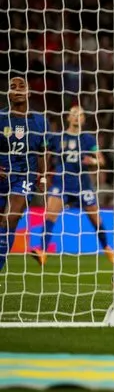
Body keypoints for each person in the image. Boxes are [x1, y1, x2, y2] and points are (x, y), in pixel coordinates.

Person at [37, 105, 114, 264]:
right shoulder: (57, 138)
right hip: (62, 183)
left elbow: (101, 160)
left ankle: (107, 248)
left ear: (84, 119)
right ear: (68, 118)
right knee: (50, 214)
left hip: (82, 185)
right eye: (74, 114)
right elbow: (43, 151)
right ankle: (42, 251)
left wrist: (92, 161)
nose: (77, 117)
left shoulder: (88, 139)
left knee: (95, 219)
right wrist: (44, 174)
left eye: (80, 114)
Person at [0, 77, 49, 271]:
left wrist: (43, 175)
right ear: (8, 93)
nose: (17, 90)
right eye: (13, 87)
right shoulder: (2, 118)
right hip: (3, 177)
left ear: (29, 92)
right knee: (4, 225)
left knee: (10, 217)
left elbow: (43, 151)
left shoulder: (39, 121)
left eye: (22, 86)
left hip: (25, 176)